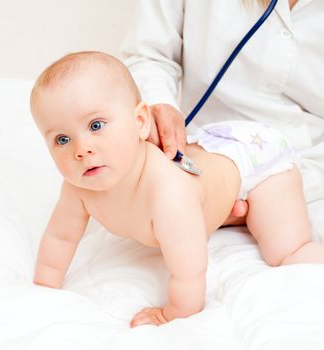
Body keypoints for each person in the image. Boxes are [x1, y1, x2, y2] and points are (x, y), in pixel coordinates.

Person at [31, 51, 324, 328]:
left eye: (96, 125)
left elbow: (190, 269)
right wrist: (43, 289)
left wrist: (174, 313)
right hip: (208, 159)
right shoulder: (78, 187)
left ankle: (278, 233)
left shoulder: (166, 190)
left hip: (254, 159)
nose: (81, 150)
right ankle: (226, 208)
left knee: (283, 252)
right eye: (62, 140)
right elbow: (61, 237)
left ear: (140, 122)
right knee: (205, 198)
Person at [121, 0, 324, 226]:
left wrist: (275, 193)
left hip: (313, 177)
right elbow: (148, 55)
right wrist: (158, 103)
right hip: (206, 160)